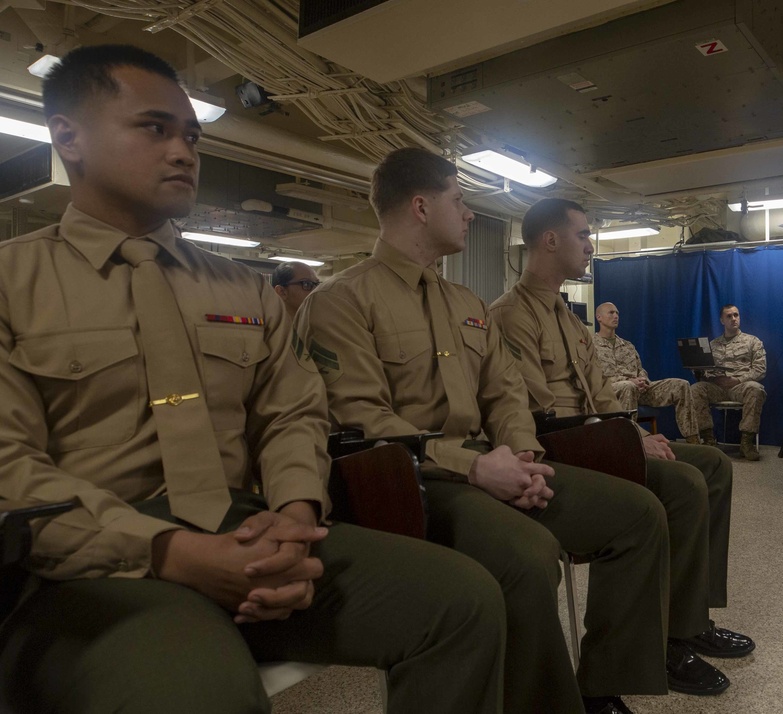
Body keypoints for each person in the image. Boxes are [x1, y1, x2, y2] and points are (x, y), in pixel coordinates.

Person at [0, 45, 507, 714]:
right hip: (93, 562)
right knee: (200, 691)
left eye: (191, 136)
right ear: (68, 135)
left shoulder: (242, 286)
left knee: (463, 600)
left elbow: (292, 414)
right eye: (155, 128)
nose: (183, 151)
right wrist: (173, 552)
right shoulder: (14, 282)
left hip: (249, 528)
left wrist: (295, 516)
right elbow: (10, 466)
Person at [295, 148, 672, 714]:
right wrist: (474, 465)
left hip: (496, 465)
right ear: (421, 207)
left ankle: (603, 687)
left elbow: (506, 395)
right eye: (460, 200)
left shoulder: (466, 304)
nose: (470, 213)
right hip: (417, 479)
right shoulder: (341, 302)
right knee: (529, 552)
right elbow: (363, 421)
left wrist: (522, 457)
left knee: (638, 514)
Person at [489, 198, 754, 700]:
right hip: (558, 447)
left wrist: (635, 434)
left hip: (598, 438)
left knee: (713, 465)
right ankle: (629, 658)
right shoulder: (509, 315)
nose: (591, 246)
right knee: (680, 483)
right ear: (550, 241)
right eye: (583, 236)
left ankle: (685, 621)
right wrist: (627, 441)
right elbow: (535, 409)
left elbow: (604, 396)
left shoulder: (570, 320)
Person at [593, 302, 699, 442]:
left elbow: (640, 369)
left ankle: (693, 439)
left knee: (681, 385)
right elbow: (593, 376)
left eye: (617, 313)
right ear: (599, 317)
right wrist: (629, 381)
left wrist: (643, 380)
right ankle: (630, 441)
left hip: (638, 389)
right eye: (611, 313)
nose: (616, 316)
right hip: (611, 391)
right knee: (627, 386)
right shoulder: (591, 345)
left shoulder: (627, 345)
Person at [689, 305, 767, 460]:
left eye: (736, 315)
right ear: (722, 320)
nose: (734, 319)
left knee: (756, 389)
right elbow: (704, 373)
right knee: (695, 389)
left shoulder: (752, 341)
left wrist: (737, 380)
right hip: (717, 387)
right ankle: (709, 440)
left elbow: (760, 369)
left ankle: (746, 443)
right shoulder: (712, 345)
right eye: (729, 316)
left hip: (740, 386)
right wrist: (697, 369)